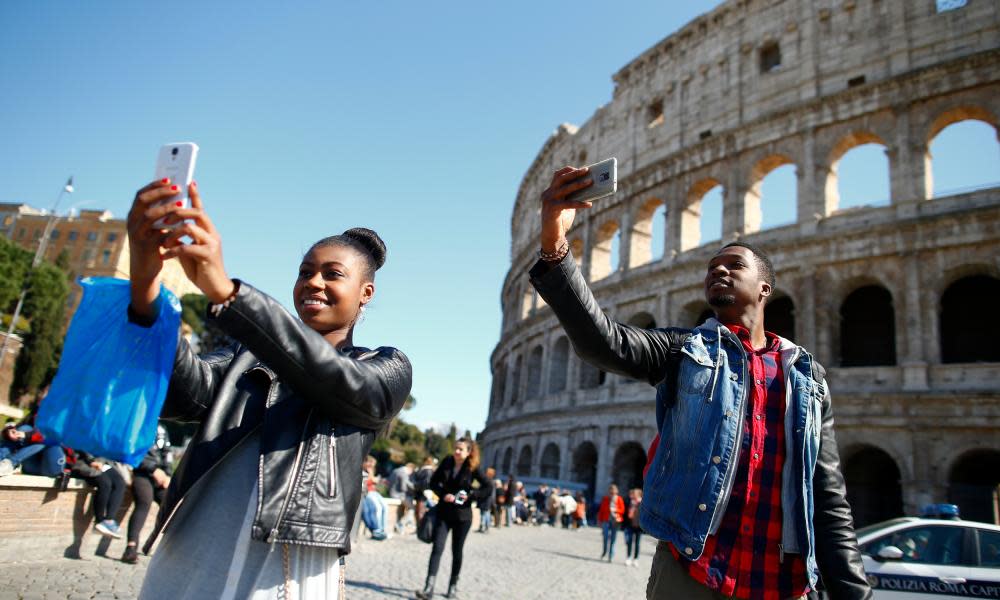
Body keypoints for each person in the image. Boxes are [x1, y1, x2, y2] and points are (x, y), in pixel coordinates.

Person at [530, 166, 872, 598]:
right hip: (692, 573)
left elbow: (828, 497)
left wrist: (853, 592)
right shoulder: (684, 350)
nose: (718, 270)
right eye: (712, 266)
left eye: (734, 264)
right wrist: (555, 247)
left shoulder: (806, 377)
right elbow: (604, 342)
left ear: (765, 288)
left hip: (779, 585)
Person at [126, 178, 412, 599]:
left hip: (287, 559)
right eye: (305, 272)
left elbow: (336, 382)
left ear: (365, 293)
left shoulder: (385, 367)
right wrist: (145, 283)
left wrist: (228, 294)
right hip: (196, 542)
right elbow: (181, 394)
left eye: (332, 274)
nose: (313, 282)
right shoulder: (246, 356)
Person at [415, 438, 490, 600]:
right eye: (456, 448)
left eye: (461, 449)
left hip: (463, 517)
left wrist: (471, 495)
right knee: (437, 549)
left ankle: (453, 587)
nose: (456, 451)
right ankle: (428, 587)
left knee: (457, 551)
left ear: (469, 452)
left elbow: (488, 487)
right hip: (444, 512)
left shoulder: (473, 467)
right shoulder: (447, 462)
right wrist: (444, 494)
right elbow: (434, 482)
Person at [122, 425, 174, 564]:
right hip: (142, 473)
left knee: (172, 504)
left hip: (161, 475)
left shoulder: (162, 430)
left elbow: (167, 453)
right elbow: (135, 452)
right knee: (144, 502)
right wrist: (153, 470)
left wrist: (168, 475)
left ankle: (158, 544)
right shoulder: (139, 425)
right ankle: (131, 548)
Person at [66, 448, 127, 539]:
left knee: (120, 483)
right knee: (105, 484)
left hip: (104, 460)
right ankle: (99, 521)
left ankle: (109, 520)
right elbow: (84, 441)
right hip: (84, 461)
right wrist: (91, 460)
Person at [361, 455, 389, 540]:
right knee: (377, 508)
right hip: (368, 492)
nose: (373, 465)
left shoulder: (370, 470)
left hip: (372, 491)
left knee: (384, 507)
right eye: (371, 463)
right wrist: (374, 479)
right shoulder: (365, 470)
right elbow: (371, 480)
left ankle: (382, 529)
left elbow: (373, 481)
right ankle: (378, 529)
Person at [598, 484, 624, 562]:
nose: (612, 492)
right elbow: (601, 510)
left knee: (613, 539)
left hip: (615, 521)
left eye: (613, 491)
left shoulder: (619, 499)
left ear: (616, 491)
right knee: (605, 537)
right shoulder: (605, 499)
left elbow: (622, 510)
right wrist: (599, 520)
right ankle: (604, 551)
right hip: (606, 520)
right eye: (611, 491)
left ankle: (611, 556)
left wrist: (615, 510)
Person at [388, 462, 415, 534]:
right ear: (410, 469)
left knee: (403, 509)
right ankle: (402, 523)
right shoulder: (403, 473)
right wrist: (414, 488)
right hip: (399, 495)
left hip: (392, 493)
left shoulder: (395, 470)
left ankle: (401, 523)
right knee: (411, 508)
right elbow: (404, 487)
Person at [413, 456, 437, 524]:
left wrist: (416, 486)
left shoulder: (427, 470)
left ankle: (421, 527)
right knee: (420, 511)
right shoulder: (427, 470)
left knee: (420, 511)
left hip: (422, 493)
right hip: (423, 493)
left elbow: (425, 483)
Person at [623, 488, 643, 567]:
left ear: (638, 494)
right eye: (633, 493)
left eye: (634, 493)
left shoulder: (641, 503)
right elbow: (625, 513)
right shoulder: (629, 502)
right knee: (629, 542)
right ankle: (628, 558)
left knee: (637, 543)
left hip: (639, 526)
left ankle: (636, 559)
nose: (633, 495)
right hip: (630, 525)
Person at [476, 467, 496, 533]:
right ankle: (487, 527)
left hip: (485, 500)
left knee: (483, 513)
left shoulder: (487, 481)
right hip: (488, 500)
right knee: (486, 513)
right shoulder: (492, 481)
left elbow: (482, 490)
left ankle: (482, 527)